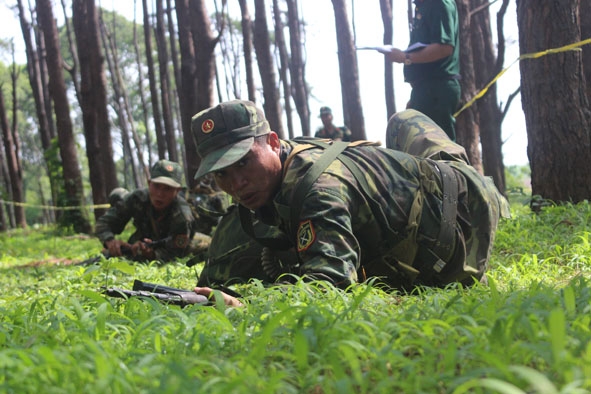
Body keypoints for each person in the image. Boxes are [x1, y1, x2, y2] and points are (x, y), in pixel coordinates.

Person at [191, 100, 509, 306]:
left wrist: (251, 303)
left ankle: (474, 181)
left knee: (406, 121)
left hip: (464, 221)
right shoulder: (280, 164)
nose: (236, 184)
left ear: (273, 142)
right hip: (423, 192)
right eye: (222, 174)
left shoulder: (319, 189)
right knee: (405, 122)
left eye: (244, 162)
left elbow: (329, 285)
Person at [95, 160, 210, 263]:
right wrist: (110, 241)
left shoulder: (182, 216)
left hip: (186, 241)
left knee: (207, 246)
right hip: (146, 240)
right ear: (149, 183)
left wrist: (153, 254)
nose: (160, 194)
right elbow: (104, 223)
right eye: (156, 186)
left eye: (167, 188)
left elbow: (176, 252)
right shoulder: (137, 198)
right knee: (108, 256)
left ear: (177, 190)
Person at [385, 0, 460, 141]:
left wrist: (405, 57)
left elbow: (444, 48)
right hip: (425, 89)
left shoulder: (439, 3)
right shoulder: (423, 5)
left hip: (436, 89)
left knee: (440, 153)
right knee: (422, 152)